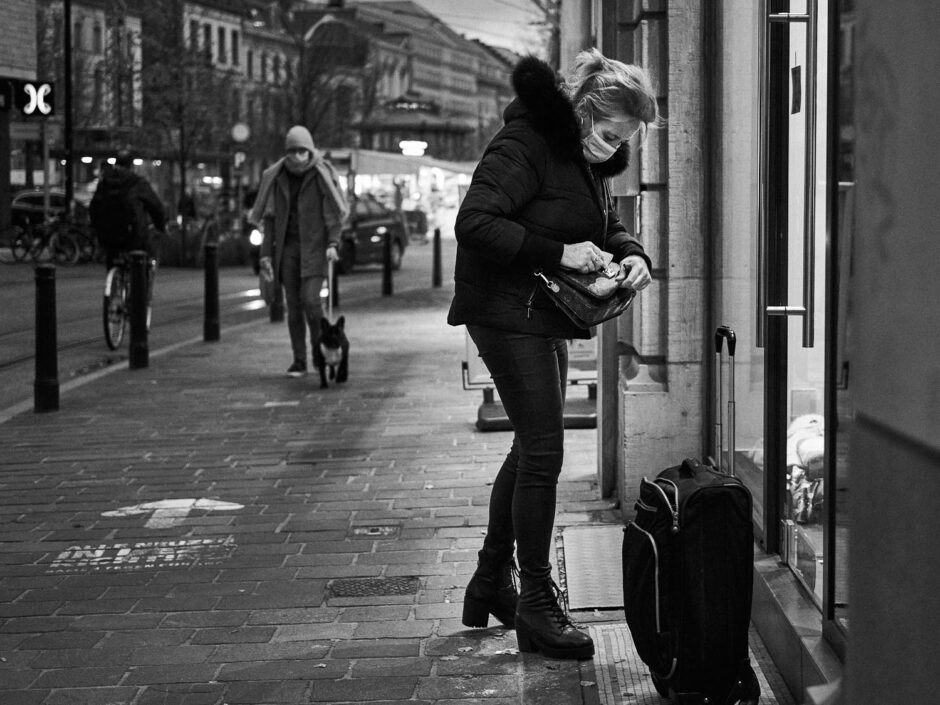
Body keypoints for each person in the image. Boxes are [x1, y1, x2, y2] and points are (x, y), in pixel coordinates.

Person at [447, 50, 657, 660]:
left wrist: (633, 253)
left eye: (624, 140)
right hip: (505, 311)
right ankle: (536, 605)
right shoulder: (526, 142)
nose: (613, 146)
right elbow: (475, 222)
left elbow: (599, 224)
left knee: (530, 446)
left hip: (541, 316)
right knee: (543, 450)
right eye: (612, 134)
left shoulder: (577, 157)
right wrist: (560, 254)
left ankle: (492, 581)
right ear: (585, 111)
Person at [250, 125, 349, 378]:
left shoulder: (320, 175)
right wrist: (265, 254)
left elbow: (333, 214)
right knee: (293, 306)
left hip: (316, 247)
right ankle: (299, 359)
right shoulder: (277, 176)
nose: (296, 156)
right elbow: (270, 219)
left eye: (302, 150)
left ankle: (319, 354)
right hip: (288, 249)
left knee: (311, 301)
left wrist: (333, 243)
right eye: (292, 151)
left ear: (310, 150)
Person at [90, 150, 166, 271]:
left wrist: (96, 228)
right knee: (140, 261)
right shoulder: (138, 183)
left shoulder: (105, 182)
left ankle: (113, 283)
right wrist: (161, 227)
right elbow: (156, 207)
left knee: (112, 256)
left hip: (108, 234)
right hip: (133, 235)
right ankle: (139, 286)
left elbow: (94, 207)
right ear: (131, 165)